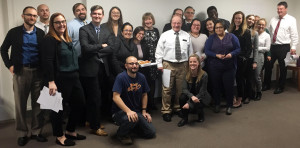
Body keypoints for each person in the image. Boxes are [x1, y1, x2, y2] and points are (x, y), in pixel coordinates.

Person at [0, 6, 46, 146]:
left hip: (38, 72)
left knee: (38, 103)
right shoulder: (14, 32)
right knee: (20, 104)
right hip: (21, 72)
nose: (32, 18)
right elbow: (3, 49)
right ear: (23, 16)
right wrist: (9, 65)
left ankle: (36, 131)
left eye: (34, 16)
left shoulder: (40, 33)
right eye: (29, 15)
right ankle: (22, 133)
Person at [42, 13, 86, 146]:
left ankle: (70, 131)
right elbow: (48, 61)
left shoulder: (66, 37)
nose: (61, 24)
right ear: (52, 24)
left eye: (63, 21)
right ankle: (59, 136)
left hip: (73, 77)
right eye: (57, 22)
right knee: (57, 109)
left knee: (80, 104)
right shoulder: (49, 39)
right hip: (59, 79)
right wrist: (51, 81)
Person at [79, 5, 112, 136]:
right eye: (95, 14)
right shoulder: (84, 29)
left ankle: (92, 120)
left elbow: (111, 48)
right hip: (89, 69)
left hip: (103, 68)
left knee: (100, 96)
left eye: (99, 14)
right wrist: (101, 46)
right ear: (91, 15)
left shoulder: (106, 30)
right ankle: (95, 126)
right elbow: (85, 48)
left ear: (103, 15)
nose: (97, 16)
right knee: (94, 98)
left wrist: (97, 50)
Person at [156, 15, 193, 122]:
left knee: (180, 89)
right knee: (167, 89)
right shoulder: (165, 35)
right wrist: (159, 64)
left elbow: (190, 52)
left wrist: (190, 65)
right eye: (174, 23)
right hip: (168, 64)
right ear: (171, 23)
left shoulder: (186, 35)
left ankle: (177, 108)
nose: (176, 25)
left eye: (178, 23)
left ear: (182, 23)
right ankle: (166, 111)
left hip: (183, 65)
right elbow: (159, 51)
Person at [112, 56, 155, 145]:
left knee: (151, 132)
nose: (134, 66)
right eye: (131, 64)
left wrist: (144, 111)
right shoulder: (120, 77)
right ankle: (121, 134)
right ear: (126, 66)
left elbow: (144, 94)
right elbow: (115, 97)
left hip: (136, 112)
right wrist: (128, 111)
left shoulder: (142, 77)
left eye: (136, 63)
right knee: (130, 119)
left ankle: (132, 127)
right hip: (120, 112)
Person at [205, 20, 240, 115]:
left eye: (220, 27)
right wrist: (216, 55)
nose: (218, 29)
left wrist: (231, 54)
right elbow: (207, 51)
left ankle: (229, 105)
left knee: (229, 87)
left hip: (229, 67)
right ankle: (217, 104)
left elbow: (238, 49)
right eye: (216, 27)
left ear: (224, 28)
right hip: (214, 67)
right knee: (216, 86)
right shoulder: (211, 38)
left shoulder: (232, 37)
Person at [263, 1, 298, 94]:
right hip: (273, 47)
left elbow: (294, 35)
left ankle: (281, 86)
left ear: (286, 9)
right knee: (268, 65)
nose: (279, 11)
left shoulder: (291, 19)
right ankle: (266, 84)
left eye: (281, 9)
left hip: (285, 47)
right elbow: (269, 33)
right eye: (278, 9)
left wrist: (293, 47)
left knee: (283, 67)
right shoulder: (273, 19)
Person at [177, 54, 211, 127]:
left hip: (201, 96)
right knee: (182, 97)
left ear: (198, 63)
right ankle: (185, 118)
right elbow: (184, 89)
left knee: (198, 101)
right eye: (190, 62)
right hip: (191, 95)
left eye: (194, 62)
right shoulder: (186, 73)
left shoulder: (204, 75)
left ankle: (200, 114)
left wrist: (189, 103)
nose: (192, 63)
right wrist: (192, 97)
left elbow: (202, 92)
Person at [228, 11, 252, 108]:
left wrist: (244, 58)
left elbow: (249, 48)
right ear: (233, 19)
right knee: (231, 78)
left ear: (243, 20)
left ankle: (240, 98)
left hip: (241, 59)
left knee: (239, 79)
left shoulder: (246, 31)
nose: (238, 20)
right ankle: (233, 96)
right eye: (236, 18)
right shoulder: (230, 31)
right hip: (231, 58)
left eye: (240, 18)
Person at [141, 12, 160, 110]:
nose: (148, 21)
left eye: (150, 19)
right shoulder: (141, 31)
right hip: (144, 61)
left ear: (152, 20)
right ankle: (145, 105)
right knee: (145, 82)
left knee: (153, 83)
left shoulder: (156, 31)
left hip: (154, 61)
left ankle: (152, 103)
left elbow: (159, 44)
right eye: (146, 19)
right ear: (144, 21)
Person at [243, 14, 258, 104]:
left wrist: (255, 61)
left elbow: (256, 48)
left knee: (249, 78)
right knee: (241, 78)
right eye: (249, 19)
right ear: (246, 19)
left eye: (253, 20)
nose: (251, 21)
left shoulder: (254, 33)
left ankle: (247, 96)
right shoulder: (241, 31)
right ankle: (241, 95)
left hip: (250, 58)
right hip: (241, 58)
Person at [254, 18, 271, 100]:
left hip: (260, 56)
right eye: (259, 24)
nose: (261, 26)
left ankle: (259, 92)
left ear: (265, 26)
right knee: (251, 75)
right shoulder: (254, 33)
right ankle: (252, 91)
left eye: (263, 25)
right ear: (257, 24)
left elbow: (267, 48)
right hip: (251, 55)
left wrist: (256, 48)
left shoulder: (267, 35)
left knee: (257, 75)